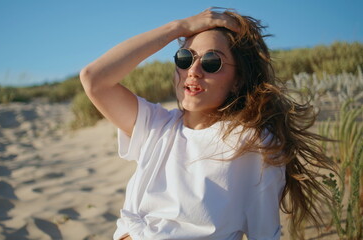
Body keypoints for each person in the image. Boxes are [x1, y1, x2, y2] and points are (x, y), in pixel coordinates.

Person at [80, 7, 336, 240]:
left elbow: (264, 233)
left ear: (237, 80)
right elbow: (94, 78)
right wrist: (177, 28)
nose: (193, 70)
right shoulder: (156, 126)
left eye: (212, 62)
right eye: (184, 58)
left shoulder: (251, 143)